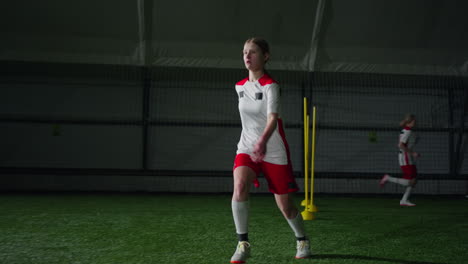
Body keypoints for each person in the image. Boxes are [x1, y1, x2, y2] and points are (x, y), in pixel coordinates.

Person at [230, 37, 311, 263]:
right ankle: (243, 243)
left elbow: (272, 119)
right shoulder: (239, 86)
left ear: (265, 56)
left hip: (272, 149)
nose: (247, 56)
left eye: (253, 52)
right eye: (245, 52)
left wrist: (262, 141)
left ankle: (302, 238)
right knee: (239, 186)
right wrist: (253, 143)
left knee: (285, 206)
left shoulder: (271, 85)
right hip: (246, 147)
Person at [380, 114, 420, 206]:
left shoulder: (407, 130)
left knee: (414, 180)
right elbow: (401, 145)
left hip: (407, 156)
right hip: (405, 157)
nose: (416, 122)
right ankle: (388, 178)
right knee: (410, 181)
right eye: (414, 121)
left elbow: (407, 144)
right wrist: (413, 153)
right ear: (410, 122)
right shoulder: (407, 132)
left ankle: (404, 200)